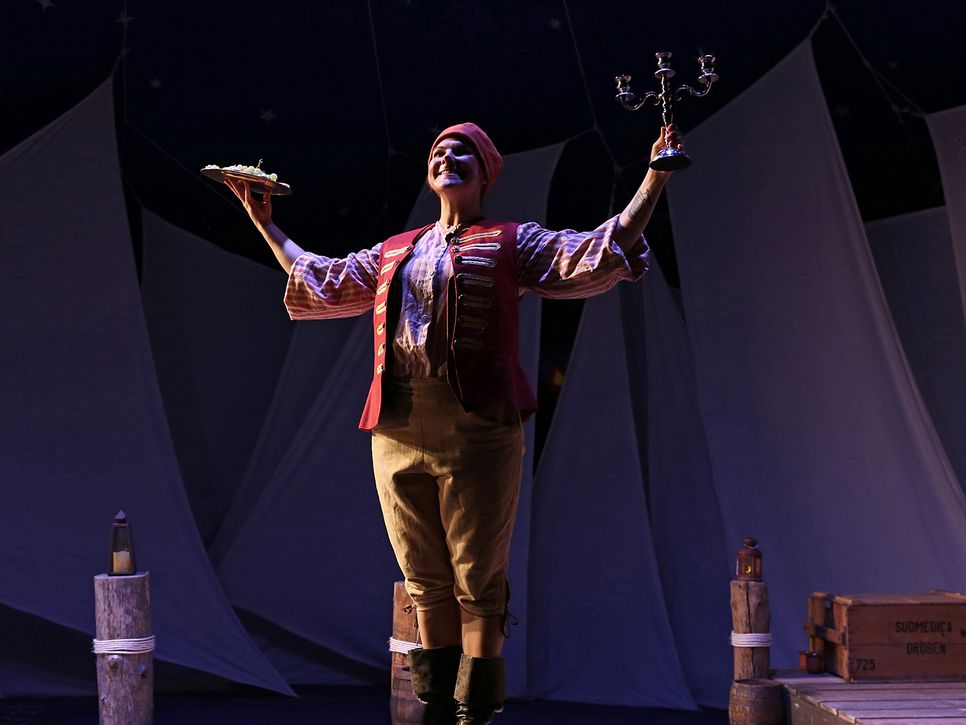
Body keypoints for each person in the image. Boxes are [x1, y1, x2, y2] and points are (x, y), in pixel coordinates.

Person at [226, 122, 682, 724]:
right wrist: (263, 222)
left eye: (462, 151)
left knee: (477, 576)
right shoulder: (396, 250)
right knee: (423, 578)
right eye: (439, 151)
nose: (447, 157)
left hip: (476, 425)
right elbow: (324, 277)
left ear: (486, 171)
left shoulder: (512, 241)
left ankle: (477, 711)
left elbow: (597, 247)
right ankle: (437, 708)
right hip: (396, 426)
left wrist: (654, 177)